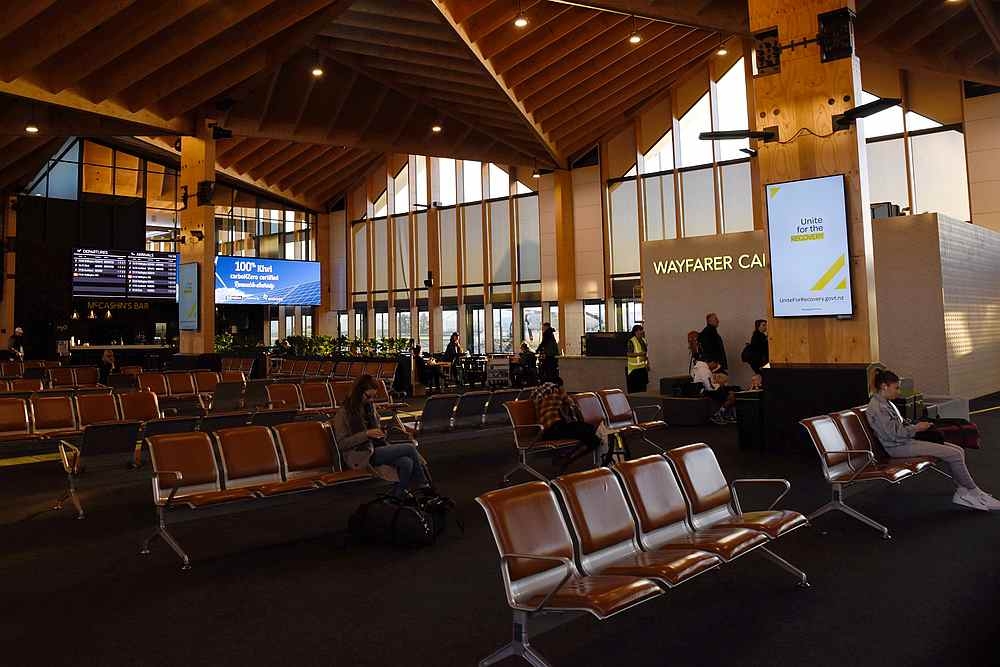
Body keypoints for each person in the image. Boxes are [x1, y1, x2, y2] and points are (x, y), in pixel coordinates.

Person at [866, 369, 999, 511]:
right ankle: (973, 491)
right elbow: (892, 435)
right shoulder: (878, 408)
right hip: (897, 447)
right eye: (896, 388)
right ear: (884, 386)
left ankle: (964, 491)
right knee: (954, 454)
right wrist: (916, 428)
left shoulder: (886, 403)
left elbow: (897, 428)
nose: (899, 392)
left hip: (904, 442)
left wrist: (916, 426)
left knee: (958, 450)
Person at [333, 375, 427, 498]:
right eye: (368, 396)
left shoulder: (370, 409)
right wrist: (366, 434)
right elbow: (341, 444)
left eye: (374, 397)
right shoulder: (344, 413)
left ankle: (397, 495)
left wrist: (381, 433)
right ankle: (423, 484)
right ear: (358, 393)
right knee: (409, 448)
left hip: (376, 448)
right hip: (359, 454)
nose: (371, 400)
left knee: (406, 462)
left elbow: (377, 431)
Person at [530, 378, 601, 472]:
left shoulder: (538, 393)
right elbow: (571, 405)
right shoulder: (558, 390)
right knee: (591, 434)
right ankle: (568, 459)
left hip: (547, 431)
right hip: (555, 429)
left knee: (590, 436)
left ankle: (567, 458)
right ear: (559, 385)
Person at [691, 359, 738, 425]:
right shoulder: (704, 370)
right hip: (705, 391)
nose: (716, 367)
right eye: (716, 364)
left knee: (733, 390)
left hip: (705, 390)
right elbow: (709, 387)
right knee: (732, 394)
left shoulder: (700, 368)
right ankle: (718, 415)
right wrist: (719, 385)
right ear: (712, 362)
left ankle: (725, 414)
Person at [625, 324, 648, 393]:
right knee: (635, 390)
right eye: (640, 332)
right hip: (634, 371)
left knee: (643, 389)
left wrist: (647, 363)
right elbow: (629, 354)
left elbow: (645, 353)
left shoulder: (643, 340)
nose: (641, 333)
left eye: (642, 332)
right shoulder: (631, 341)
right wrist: (639, 354)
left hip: (642, 369)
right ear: (636, 332)